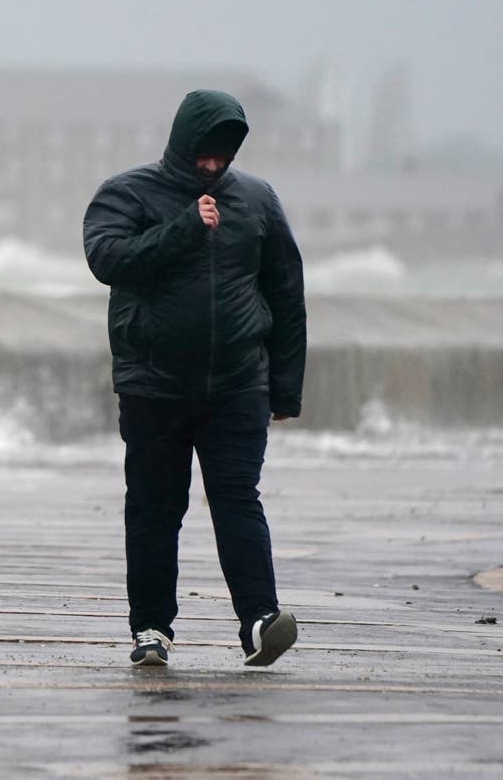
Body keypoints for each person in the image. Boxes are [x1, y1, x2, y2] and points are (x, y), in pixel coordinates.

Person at [82, 89, 306, 668]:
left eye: (223, 154)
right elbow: (107, 260)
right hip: (153, 384)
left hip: (238, 384)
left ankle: (259, 621)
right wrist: (185, 227)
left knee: (238, 499)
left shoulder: (257, 199)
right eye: (204, 153)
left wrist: (284, 388)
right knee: (156, 507)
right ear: (182, 143)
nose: (213, 164)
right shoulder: (127, 192)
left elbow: (285, 294)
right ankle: (151, 629)